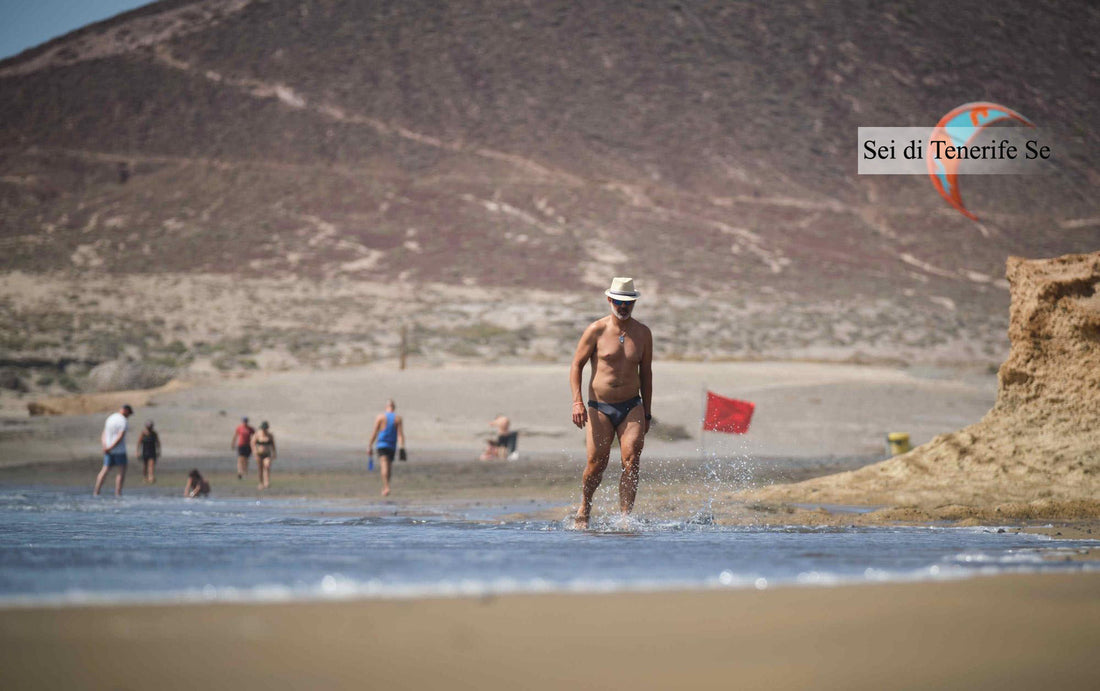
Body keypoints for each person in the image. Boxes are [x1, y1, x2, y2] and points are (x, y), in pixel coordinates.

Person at [569, 277, 653, 529]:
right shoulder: (596, 330)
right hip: (599, 406)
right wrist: (577, 403)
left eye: (628, 302)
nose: (623, 306)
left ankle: (626, 517)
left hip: (631, 405)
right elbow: (576, 365)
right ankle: (585, 505)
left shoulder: (643, 333)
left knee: (632, 459)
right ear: (609, 300)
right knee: (596, 464)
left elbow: (646, 373)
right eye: (618, 301)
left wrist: (647, 411)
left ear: (634, 303)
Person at [368, 399, 405, 496]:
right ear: (394, 407)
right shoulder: (398, 418)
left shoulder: (380, 417)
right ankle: (385, 486)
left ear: (386, 407)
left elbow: (375, 432)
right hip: (392, 445)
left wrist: (370, 445)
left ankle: (386, 486)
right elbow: (400, 435)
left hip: (382, 444)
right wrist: (402, 447)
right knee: (389, 467)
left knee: (384, 465)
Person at [94, 404, 133, 496]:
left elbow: (104, 433)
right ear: (126, 411)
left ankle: (96, 491)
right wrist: (111, 447)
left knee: (105, 469)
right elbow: (120, 436)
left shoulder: (110, 418)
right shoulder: (123, 421)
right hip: (119, 450)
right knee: (121, 471)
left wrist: (105, 446)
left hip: (108, 449)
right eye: (129, 413)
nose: (129, 416)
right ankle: (118, 492)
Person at [251, 421, 276, 490]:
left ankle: (267, 482)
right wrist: (254, 451)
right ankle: (261, 483)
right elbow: (252, 443)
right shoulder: (257, 434)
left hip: (267, 454)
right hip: (259, 454)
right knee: (260, 469)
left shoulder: (270, 435)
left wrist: (274, 453)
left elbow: (273, 445)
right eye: (263, 429)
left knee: (267, 466)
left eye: (265, 429)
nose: (264, 430)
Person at [137, 420, 161, 484]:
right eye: (148, 427)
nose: (149, 428)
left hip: (152, 451)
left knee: (151, 465)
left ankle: (151, 477)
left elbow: (158, 443)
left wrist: (159, 451)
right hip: (145, 451)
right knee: (145, 465)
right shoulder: (143, 433)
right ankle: (145, 477)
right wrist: (137, 452)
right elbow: (139, 443)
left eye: (150, 427)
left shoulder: (154, 434)